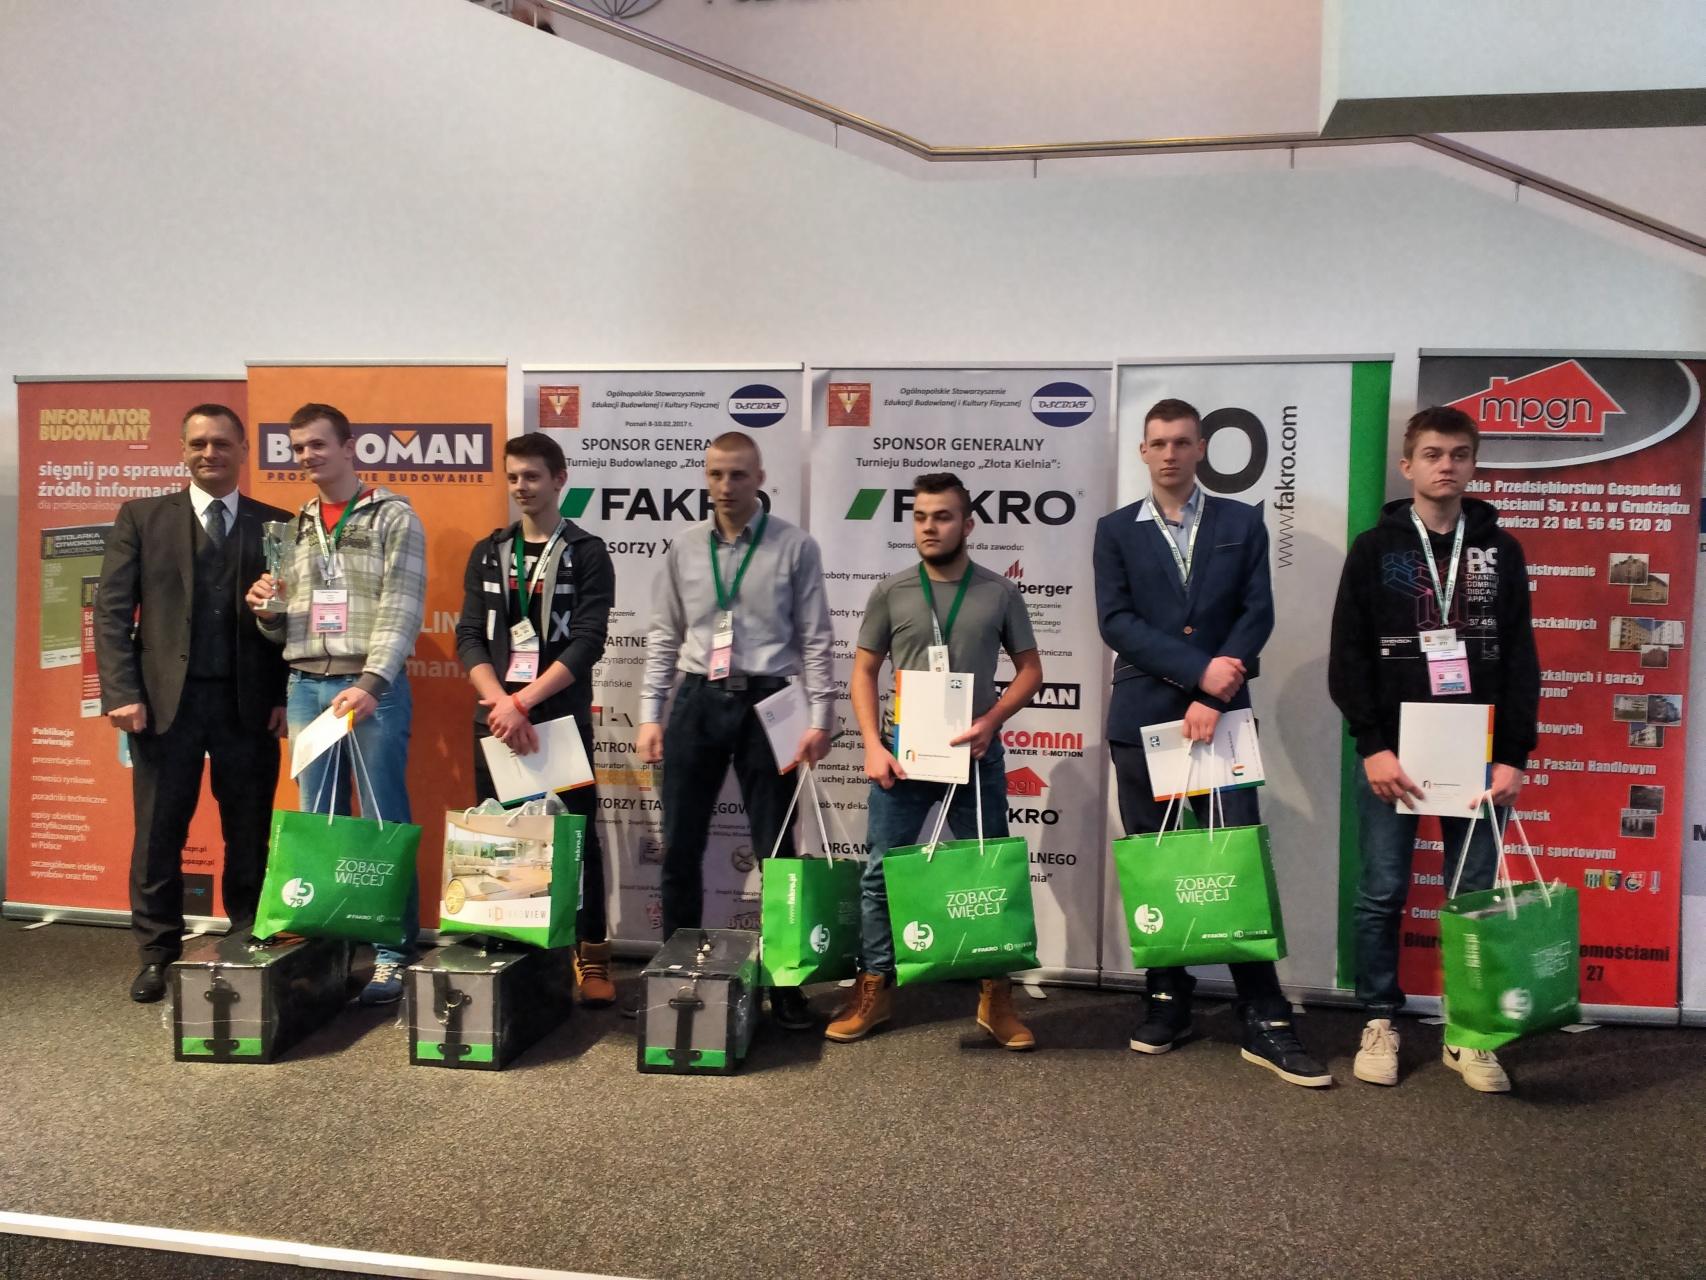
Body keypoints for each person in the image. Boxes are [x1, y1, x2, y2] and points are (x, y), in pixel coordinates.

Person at [1092, 398, 1331, 1087]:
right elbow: (1116, 621)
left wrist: (1213, 694)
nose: (1170, 453)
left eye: (1182, 442)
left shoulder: (1240, 522)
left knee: (1234, 859)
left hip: (1222, 720)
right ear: (1143, 452)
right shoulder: (1115, 530)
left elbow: (1257, 612)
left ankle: (1263, 1010)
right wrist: (1199, 673)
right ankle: (1168, 995)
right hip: (1143, 720)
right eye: (1158, 443)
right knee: (1157, 861)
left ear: (1201, 449)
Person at [1329, 404, 1539, 1093]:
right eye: (1432, 454)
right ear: (1407, 465)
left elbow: (1521, 659)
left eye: (1458, 454)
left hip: (1478, 755)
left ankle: (1468, 1031)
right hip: (1395, 754)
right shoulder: (1374, 549)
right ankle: (1379, 1019)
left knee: (1472, 896)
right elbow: (1349, 655)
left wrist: (1514, 756)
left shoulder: (1500, 551)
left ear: (1473, 465)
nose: (1445, 465)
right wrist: (1371, 745)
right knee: (1382, 891)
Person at [825, 472, 1044, 1050]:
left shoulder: (999, 592)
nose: (929, 527)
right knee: (879, 875)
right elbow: (863, 671)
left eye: (942, 517)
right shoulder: (891, 591)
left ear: (967, 524)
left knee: (987, 875)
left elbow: (1031, 671)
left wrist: (992, 720)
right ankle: (875, 988)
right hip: (902, 757)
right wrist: (872, 744)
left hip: (975, 756)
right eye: (920, 517)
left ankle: (995, 997)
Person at [633, 431, 834, 1029]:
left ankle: (786, 983)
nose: (726, 486)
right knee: (680, 847)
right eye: (716, 474)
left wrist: (821, 718)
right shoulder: (683, 547)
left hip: (770, 703)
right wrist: (650, 713)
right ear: (706, 477)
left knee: (778, 852)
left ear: (760, 478)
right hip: (697, 700)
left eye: (738, 475)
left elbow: (816, 638)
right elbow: (664, 634)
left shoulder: (795, 547)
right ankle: (676, 974)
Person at [95, 405, 291, 1003]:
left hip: (247, 707)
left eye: (223, 443)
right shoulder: (141, 517)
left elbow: (293, 620)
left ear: (244, 451)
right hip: (162, 707)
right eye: (199, 443)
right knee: (159, 832)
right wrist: (122, 693)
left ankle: (246, 938)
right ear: (182, 449)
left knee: (249, 831)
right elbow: (110, 612)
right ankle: (157, 953)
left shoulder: (277, 525)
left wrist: (283, 696)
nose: (211, 453)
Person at [245, 402, 427, 1005]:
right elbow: (285, 619)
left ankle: (393, 952)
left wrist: (372, 683)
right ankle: (327, 946)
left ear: (350, 448)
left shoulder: (393, 515)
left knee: (382, 821)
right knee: (317, 819)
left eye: (318, 445)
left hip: (369, 690)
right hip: (306, 684)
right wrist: (268, 612)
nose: (307, 456)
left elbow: (403, 606)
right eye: (298, 448)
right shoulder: (294, 524)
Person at [455, 433, 616, 1004]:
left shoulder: (587, 552)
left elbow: (588, 641)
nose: (521, 487)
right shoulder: (488, 551)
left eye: (532, 476)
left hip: (557, 719)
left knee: (574, 842)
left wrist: (522, 702)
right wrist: (502, 703)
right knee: (501, 841)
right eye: (513, 477)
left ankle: (592, 955)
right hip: (497, 722)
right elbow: (469, 636)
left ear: (559, 479)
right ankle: (511, 958)